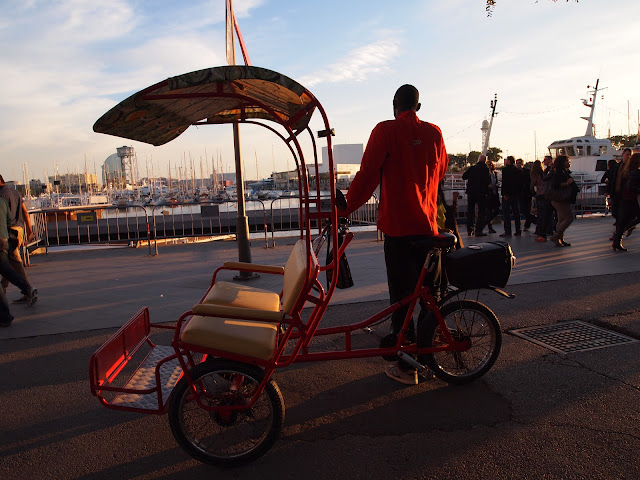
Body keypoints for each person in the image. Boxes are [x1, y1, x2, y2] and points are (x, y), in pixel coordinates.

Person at [342, 84, 448, 385]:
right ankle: (432, 355)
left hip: (399, 231)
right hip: (428, 228)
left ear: (394, 105)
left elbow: (366, 176)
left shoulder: (384, 131)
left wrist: (345, 209)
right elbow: (440, 171)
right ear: (418, 106)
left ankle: (407, 367)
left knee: (402, 299)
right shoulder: (435, 133)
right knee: (429, 295)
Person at [0, 195, 37, 327]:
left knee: (12, 265)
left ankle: (4, 316)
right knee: (7, 269)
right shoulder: (3, 201)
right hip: (6, 238)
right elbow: (11, 219)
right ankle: (27, 288)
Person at [0, 175, 33, 302]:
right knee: (7, 262)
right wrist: (29, 230)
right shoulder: (15, 192)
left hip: (9, 232)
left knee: (15, 262)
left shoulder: (1, 195)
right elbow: (25, 211)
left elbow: (5, 217)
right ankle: (4, 289)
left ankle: (28, 289)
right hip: (19, 229)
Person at [611, 153, 640, 251]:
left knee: (625, 221)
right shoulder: (635, 172)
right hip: (631, 199)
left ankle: (617, 239)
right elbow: (631, 186)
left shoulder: (628, 171)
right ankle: (617, 238)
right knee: (629, 220)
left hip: (627, 199)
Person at [548, 155, 578, 247]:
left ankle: (559, 239)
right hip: (560, 199)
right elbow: (555, 185)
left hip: (558, 199)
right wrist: (567, 183)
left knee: (561, 219)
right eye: (567, 161)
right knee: (569, 217)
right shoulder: (559, 172)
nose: (569, 162)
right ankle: (557, 236)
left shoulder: (559, 171)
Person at [462, 154, 491, 237]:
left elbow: (464, 177)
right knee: (481, 212)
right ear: (485, 161)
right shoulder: (486, 169)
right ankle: (478, 230)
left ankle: (470, 230)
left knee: (470, 211)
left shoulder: (472, 168)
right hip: (481, 193)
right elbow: (488, 182)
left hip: (471, 193)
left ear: (478, 160)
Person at [500, 155, 522, 237]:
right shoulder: (517, 170)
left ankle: (508, 232)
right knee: (516, 213)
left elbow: (505, 183)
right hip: (515, 195)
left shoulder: (505, 170)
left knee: (506, 214)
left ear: (509, 161)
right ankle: (518, 230)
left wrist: (505, 194)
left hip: (507, 195)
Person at [515, 158, 534, 231]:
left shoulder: (527, 172)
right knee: (523, 210)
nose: (518, 165)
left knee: (527, 210)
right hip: (520, 193)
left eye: (519, 163)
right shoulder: (516, 172)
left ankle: (528, 224)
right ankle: (534, 221)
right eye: (517, 163)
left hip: (527, 193)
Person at [486, 160, 500, 233]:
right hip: (489, 194)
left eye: (490, 165)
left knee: (496, 210)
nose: (489, 166)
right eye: (488, 165)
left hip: (495, 193)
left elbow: (496, 181)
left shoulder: (495, 173)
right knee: (489, 211)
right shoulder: (485, 174)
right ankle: (489, 226)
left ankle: (486, 222)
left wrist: (497, 184)